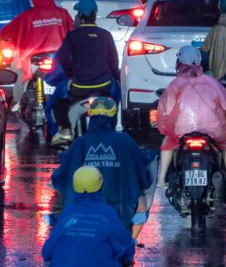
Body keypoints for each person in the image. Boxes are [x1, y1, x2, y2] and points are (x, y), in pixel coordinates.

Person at [51, 97, 151, 231]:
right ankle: (133, 240)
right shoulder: (124, 141)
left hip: (80, 214)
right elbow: (142, 171)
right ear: (113, 117)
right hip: (120, 213)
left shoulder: (80, 143)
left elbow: (60, 177)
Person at [156, 45, 226, 189]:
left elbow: (166, 110)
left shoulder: (175, 84)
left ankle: (161, 179)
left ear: (179, 63)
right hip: (213, 130)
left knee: (167, 145)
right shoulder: (211, 82)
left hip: (181, 131)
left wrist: (165, 129)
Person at [53, 0, 120, 146]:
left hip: (80, 87)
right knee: (115, 101)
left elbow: (63, 58)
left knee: (58, 102)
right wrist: (115, 78)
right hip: (103, 85)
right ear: (94, 15)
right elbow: (113, 61)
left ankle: (66, 131)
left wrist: (71, 75)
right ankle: (113, 129)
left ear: (81, 16)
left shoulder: (73, 36)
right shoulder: (105, 35)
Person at [0, 0, 74, 83]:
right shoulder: (63, 13)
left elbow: (5, 33)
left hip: (32, 62)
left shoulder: (26, 16)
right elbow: (72, 33)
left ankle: (17, 100)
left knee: (18, 79)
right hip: (59, 59)